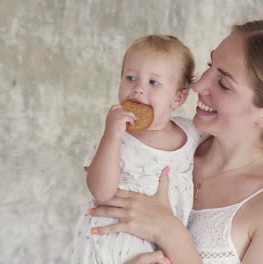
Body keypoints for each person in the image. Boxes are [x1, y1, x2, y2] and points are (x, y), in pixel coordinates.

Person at [86, 20, 263, 264]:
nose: (198, 85)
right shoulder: (162, 147)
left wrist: (171, 234)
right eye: (210, 65)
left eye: (224, 84)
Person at [71, 34, 206, 264]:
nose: (138, 89)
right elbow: (101, 192)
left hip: (163, 242)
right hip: (111, 241)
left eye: (153, 83)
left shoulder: (191, 132)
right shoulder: (116, 138)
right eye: (130, 78)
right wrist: (112, 136)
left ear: (178, 98)